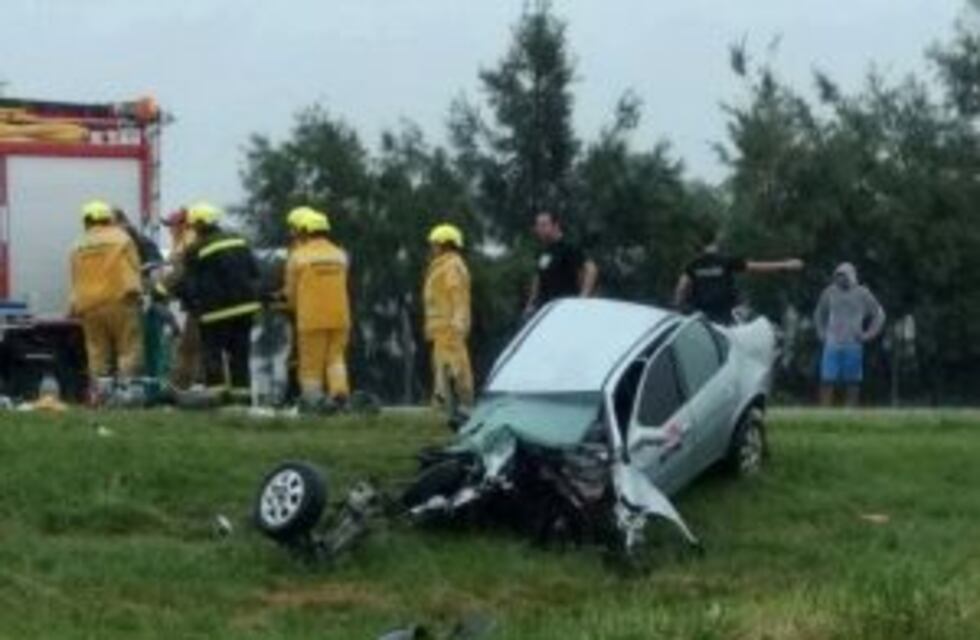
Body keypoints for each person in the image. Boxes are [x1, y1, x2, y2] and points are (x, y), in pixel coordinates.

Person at [177, 201, 261, 402]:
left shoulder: (196, 248)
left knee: (213, 356)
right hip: (245, 310)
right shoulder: (239, 241)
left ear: (198, 224)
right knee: (240, 357)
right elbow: (255, 273)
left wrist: (189, 303)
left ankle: (217, 400)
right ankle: (243, 400)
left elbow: (188, 281)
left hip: (215, 312)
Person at [68, 199, 144, 394]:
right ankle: (125, 392)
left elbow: (75, 277)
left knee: (97, 352)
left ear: (86, 220)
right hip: (120, 300)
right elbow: (136, 266)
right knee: (127, 349)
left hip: (89, 305)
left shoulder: (78, 245)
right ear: (108, 219)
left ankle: (100, 394)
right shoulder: (122, 238)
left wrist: (72, 306)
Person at [284, 209, 352, 411]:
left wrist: (287, 305)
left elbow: (291, 293)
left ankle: (313, 402)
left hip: (311, 318)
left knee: (311, 364)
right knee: (336, 360)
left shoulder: (298, 256)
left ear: (304, 230)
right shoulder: (340, 255)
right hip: (340, 317)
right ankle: (340, 396)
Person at [674, 230, 804, 324]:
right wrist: (786, 265)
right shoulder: (726, 261)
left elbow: (681, 288)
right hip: (723, 316)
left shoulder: (693, 265)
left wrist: (679, 308)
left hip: (700, 316)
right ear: (716, 242)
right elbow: (757, 267)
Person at [814, 262, 885, 407]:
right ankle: (823, 412)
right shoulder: (829, 292)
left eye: (844, 276)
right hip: (832, 343)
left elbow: (879, 314)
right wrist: (821, 333)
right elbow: (819, 313)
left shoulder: (862, 293)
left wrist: (868, 334)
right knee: (827, 379)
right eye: (838, 276)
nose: (841, 279)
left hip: (853, 344)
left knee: (852, 382)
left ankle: (850, 412)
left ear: (852, 276)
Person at [424, 223, 474, 409]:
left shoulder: (451, 266)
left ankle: (451, 401)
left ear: (444, 244)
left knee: (451, 363)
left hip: (449, 325)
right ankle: (448, 400)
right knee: (445, 363)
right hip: (443, 326)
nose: (432, 248)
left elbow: (457, 294)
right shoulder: (445, 264)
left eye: (434, 244)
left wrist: (458, 321)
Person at [154, 207, 202, 390]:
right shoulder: (182, 240)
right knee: (189, 344)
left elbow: (180, 272)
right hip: (192, 300)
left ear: (183, 225)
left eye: (172, 225)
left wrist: (160, 289)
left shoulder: (187, 242)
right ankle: (186, 384)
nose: (169, 230)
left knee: (189, 346)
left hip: (197, 301)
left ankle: (185, 385)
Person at [524, 211, 598, 316]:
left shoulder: (568, 247)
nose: (539, 229)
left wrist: (583, 297)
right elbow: (538, 278)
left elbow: (591, 268)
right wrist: (530, 303)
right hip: (543, 308)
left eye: (544, 225)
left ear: (556, 226)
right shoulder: (543, 252)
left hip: (563, 307)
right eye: (538, 226)